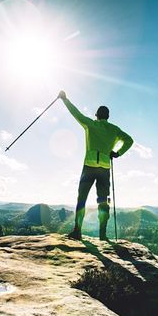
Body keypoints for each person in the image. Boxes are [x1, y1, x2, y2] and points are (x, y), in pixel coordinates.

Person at [58, 90, 133, 240]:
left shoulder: (90, 125)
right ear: (108, 117)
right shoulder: (114, 130)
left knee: (82, 199)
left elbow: (76, 113)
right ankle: (103, 235)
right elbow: (129, 140)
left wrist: (64, 99)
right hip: (104, 169)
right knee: (103, 201)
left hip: (89, 167)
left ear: (97, 116)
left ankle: (77, 231)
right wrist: (117, 153)